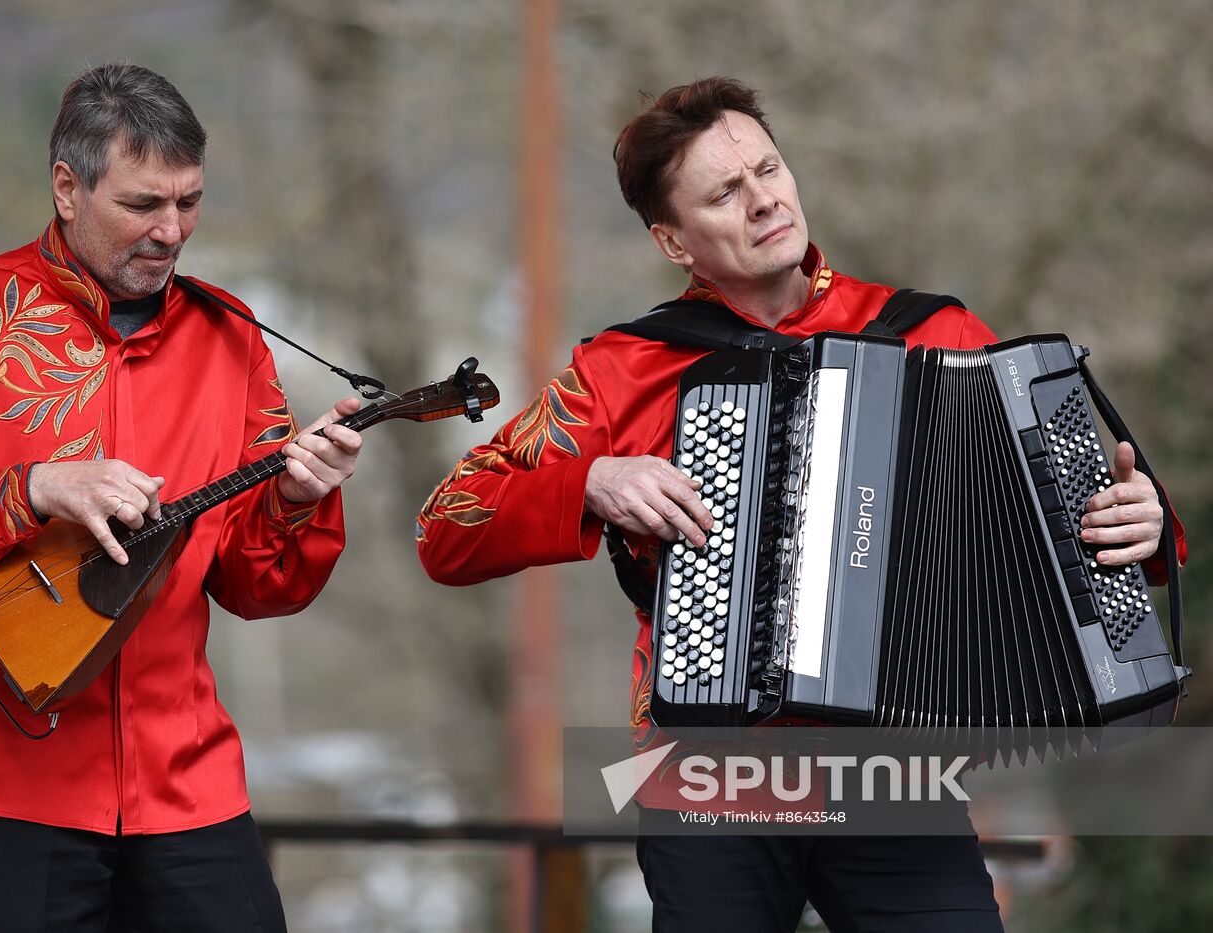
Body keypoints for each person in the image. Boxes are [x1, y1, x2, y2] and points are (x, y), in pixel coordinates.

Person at [415, 77, 1185, 932]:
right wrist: (590, 480)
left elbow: (1062, 522)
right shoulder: (620, 370)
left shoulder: (933, 332)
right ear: (673, 239)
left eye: (769, 170)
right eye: (724, 193)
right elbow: (447, 526)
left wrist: (1139, 524)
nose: (764, 201)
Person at [0, 63, 363, 932]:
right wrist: (32, 487)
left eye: (189, 202)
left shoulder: (233, 339)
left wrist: (299, 499)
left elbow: (264, 588)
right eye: (143, 204)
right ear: (66, 188)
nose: (172, 230)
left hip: (187, 783)